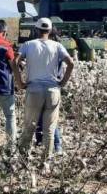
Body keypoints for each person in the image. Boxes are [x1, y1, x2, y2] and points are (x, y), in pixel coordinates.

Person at [14, 18, 74, 162]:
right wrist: (63, 82)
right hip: (53, 90)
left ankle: (22, 160)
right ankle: (46, 161)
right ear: (50, 30)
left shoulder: (28, 45)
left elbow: (14, 61)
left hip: (34, 90)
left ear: (36, 30)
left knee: (29, 127)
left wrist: (20, 82)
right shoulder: (57, 46)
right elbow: (70, 63)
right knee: (49, 130)